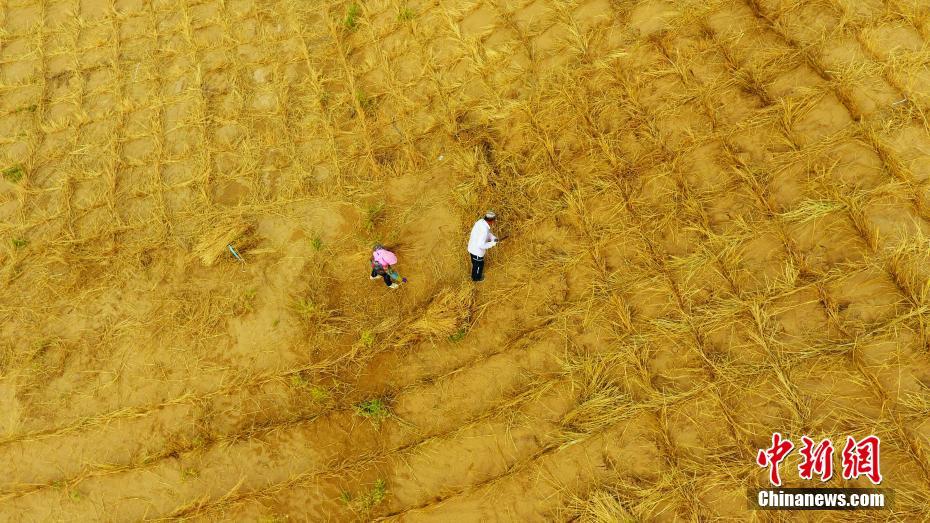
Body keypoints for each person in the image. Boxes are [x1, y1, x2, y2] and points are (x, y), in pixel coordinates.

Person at [467, 211, 498, 282]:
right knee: (479, 265)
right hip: (477, 252)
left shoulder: (481, 222)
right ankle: (476, 279)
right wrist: (493, 243)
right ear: (491, 221)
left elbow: (486, 233)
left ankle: (474, 276)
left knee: (475, 264)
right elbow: (481, 245)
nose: (494, 222)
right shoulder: (484, 230)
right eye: (494, 221)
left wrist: (493, 238)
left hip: (472, 248)